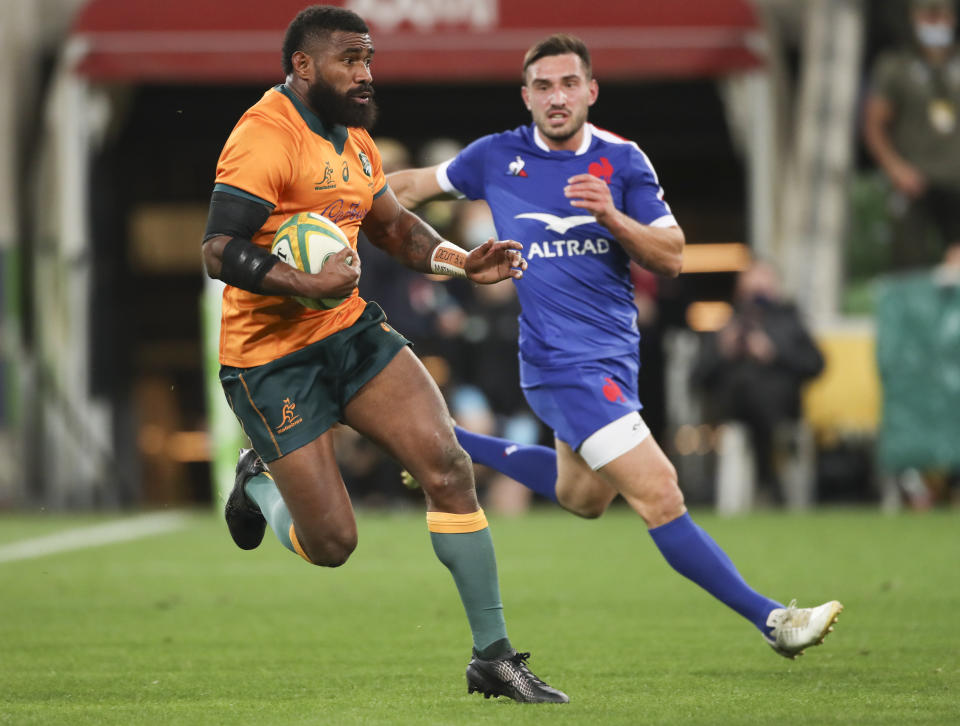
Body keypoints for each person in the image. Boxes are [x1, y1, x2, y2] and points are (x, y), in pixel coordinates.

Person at [388, 33, 843, 659]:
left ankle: (444, 443)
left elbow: (673, 256)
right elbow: (411, 186)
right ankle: (773, 621)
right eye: (543, 86)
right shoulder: (495, 158)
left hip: (614, 358)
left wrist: (611, 217)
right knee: (661, 493)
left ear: (591, 91)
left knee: (584, 497)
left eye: (568, 83)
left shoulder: (624, 162)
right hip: (560, 363)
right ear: (526, 96)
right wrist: (338, 201)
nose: (556, 96)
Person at [201, 6, 567, 704]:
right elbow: (218, 248)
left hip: (350, 333)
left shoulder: (356, 142)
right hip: (270, 358)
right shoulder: (263, 137)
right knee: (334, 543)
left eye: (368, 57)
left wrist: (464, 261)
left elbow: (395, 230)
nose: (365, 72)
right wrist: (305, 282)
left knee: (449, 467)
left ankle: (492, 658)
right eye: (348, 59)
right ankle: (257, 483)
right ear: (304, 66)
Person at [692, 260, 824, 503]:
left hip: (781, 408)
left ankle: (767, 479)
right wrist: (723, 352)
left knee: (758, 397)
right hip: (734, 408)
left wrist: (773, 354)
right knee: (746, 391)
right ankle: (768, 481)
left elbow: (816, 365)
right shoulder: (727, 325)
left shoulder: (790, 321)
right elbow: (698, 377)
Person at [863, 0, 960, 269]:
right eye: (929, 16)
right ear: (914, 19)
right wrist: (896, 169)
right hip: (916, 182)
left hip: (957, 182)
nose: (937, 23)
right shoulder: (896, 65)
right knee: (910, 270)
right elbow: (874, 124)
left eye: (942, 15)